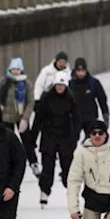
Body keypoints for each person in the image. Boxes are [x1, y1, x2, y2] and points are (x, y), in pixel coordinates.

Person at [30, 69, 80, 206]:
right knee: (47, 167)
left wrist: (74, 138)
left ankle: (71, 193)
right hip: (49, 137)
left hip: (65, 138)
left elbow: (76, 120)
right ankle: (44, 191)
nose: (60, 88)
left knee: (67, 168)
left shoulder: (71, 99)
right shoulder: (46, 98)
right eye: (58, 85)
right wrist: (32, 139)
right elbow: (38, 119)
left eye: (62, 86)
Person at [68, 58, 109, 133]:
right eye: (78, 71)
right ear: (75, 71)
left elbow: (102, 99)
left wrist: (105, 115)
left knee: (90, 141)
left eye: (83, 71)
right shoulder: (70, 84)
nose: (80, 73)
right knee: (71, 141)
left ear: (86, 70)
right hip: (75, 118)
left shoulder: (93, 82)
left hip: (90, 118)